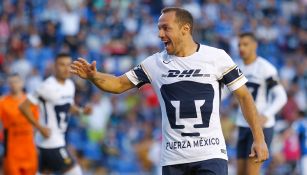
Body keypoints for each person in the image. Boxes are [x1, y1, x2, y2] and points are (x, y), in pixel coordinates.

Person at [70, 7, 269, 175]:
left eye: (166, 28)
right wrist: (94, 77)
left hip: (210, 155)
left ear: (185, 29)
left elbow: (244, 97)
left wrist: (259, 139)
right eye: (159, 29)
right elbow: (118, 84)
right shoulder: (154, 63)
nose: (160, 34)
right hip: (173, 159)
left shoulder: (217, 57)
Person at [19, 53, 90, 175]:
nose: (66, 68)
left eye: (69, 65)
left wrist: (81, 111)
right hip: (51, 141)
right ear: (55, 66)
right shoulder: (47, 86)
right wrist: (39, 127)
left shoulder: (70, 85)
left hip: (56, 139)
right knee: (75, 172)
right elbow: (23, 106)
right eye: (62, 65)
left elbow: (67, 106)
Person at [235, 32, 287, 175]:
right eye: (239, 44)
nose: (241, 48)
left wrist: (266, 114)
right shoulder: (236, 67)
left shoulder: (265, 68)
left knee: (252, 172)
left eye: (245, 44)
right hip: (242, 123)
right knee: (240, 172)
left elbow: (281, 96)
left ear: (255, 45)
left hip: (260, 126)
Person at [0, 73, 38, 175]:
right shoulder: (3, 102)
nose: (14, 85)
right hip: (12, 152)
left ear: (22, 83)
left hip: (29, 151)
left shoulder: (31, 102)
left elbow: (36, 124)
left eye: (16, 82)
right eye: (11, 82)